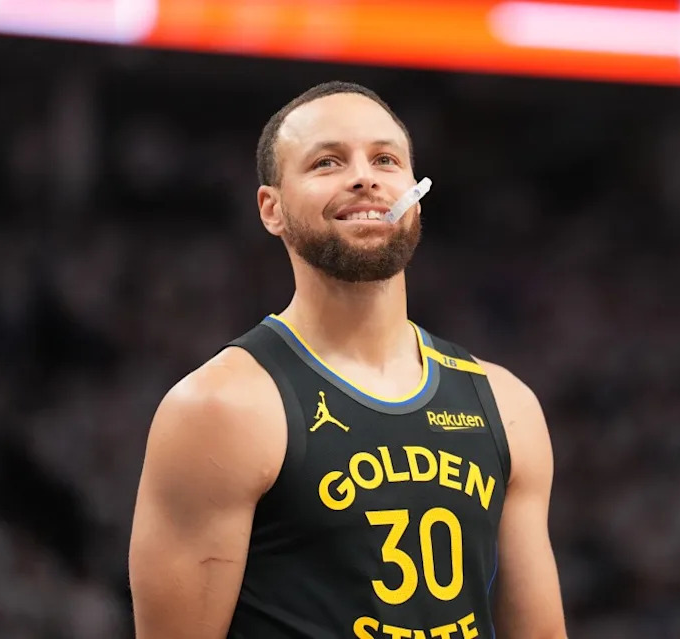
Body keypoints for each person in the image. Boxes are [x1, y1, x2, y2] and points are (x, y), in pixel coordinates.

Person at [129, 81, 567, 639]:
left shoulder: (506, 404)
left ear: (413, 189)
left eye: (386, 159)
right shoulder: (219, 408)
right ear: (272, 209)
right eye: (327, 162)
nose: (365, 177)